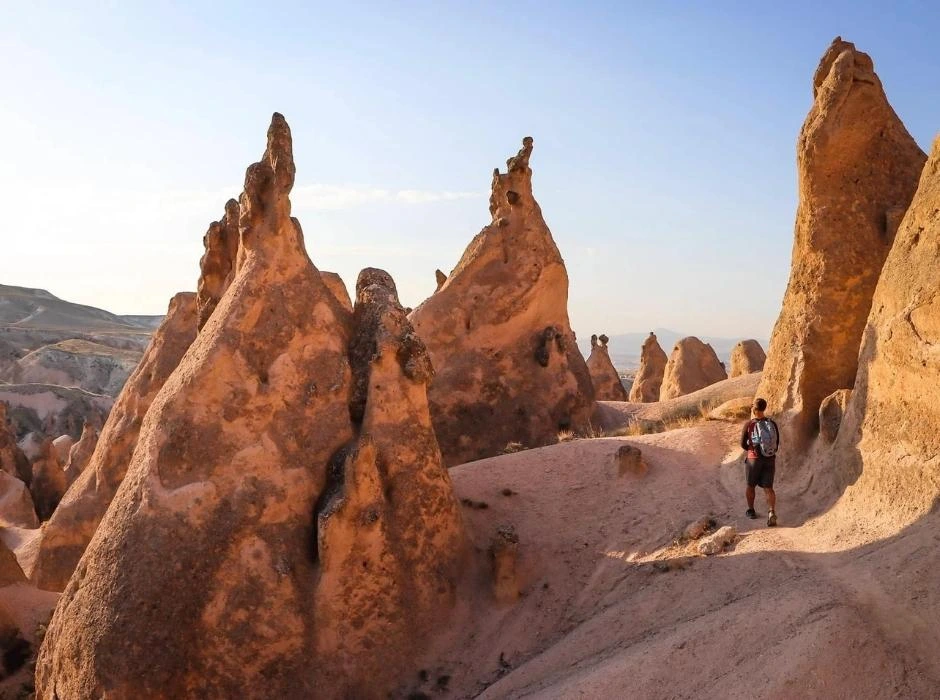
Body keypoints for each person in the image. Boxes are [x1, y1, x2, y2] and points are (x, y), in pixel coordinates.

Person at [740, 397, 779, 527]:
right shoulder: (772, 424)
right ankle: (771, 511)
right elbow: (776, 444)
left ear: (755, 409)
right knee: (769, 488)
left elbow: (742, 444)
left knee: (750, 486)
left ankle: (751, 510)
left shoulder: (749, 424)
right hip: (769, 459)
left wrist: (752, 450)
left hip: (754, 459)